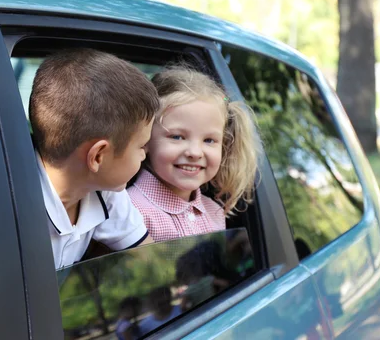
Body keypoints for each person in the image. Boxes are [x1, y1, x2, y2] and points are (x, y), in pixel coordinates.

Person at [29, 48, 159, 269]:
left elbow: (153, 264)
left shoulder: (105, 191)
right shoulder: (14, 211)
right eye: (141, 146)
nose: (145, 154)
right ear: (98, 156)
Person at [128, 66, 259, 242]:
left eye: (209, 140)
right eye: (177, 137)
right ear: (145, 138)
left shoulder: (215, 212)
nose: (195, 152)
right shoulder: (129, 211)